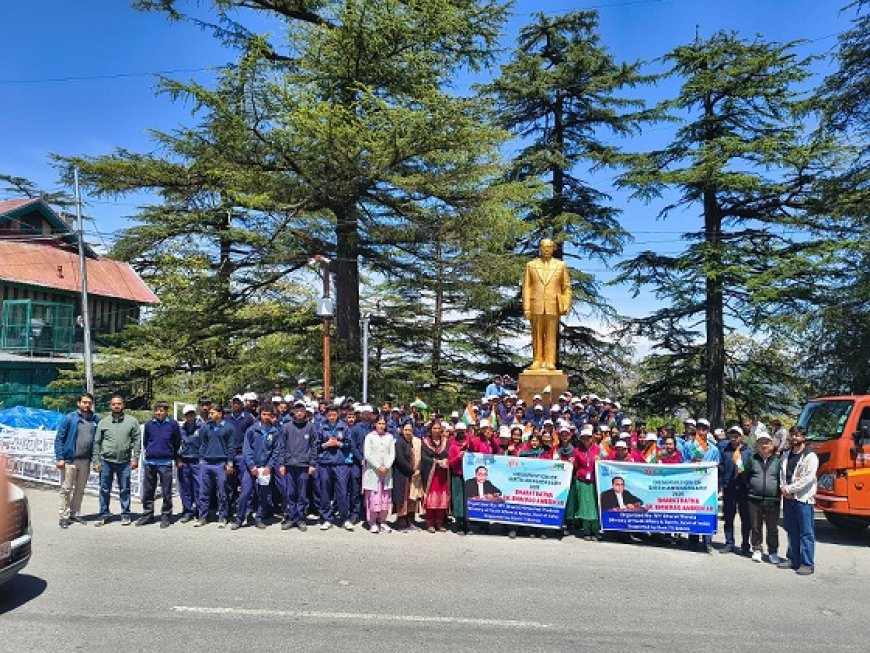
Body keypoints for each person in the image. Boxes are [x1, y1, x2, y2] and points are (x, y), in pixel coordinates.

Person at [522, 238, 572, 370]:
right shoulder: (531, 265)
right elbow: (526, 287)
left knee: (551, 334)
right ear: (540, 248)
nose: (546, 249)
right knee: (537, 334)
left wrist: (566, 304)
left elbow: (566, 287)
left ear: (553, 248)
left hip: (553, 305)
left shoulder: (561, 265)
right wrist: (526, 307)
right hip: (535, 304)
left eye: (549, 247)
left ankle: (550, 361)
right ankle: (537, 360)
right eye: (544, 247)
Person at [92, 394, 140, 527]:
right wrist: (96, 461)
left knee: (125, 489)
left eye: (119, 403)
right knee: (104, 489)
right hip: (106, 461)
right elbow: (97, 442)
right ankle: (103, 514)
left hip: (124, 462)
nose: (116, 406)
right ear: (110, 406)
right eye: (114, 404)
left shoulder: (132, 421)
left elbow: (137, 441)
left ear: (123, 405)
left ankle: (125, 514)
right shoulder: (103, 422)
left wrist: (135, 458)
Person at [54, 392, 99, 528]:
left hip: (85, 460)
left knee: (80, 489)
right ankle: (63, 516)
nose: (86, 405)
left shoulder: (95, 419)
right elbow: (59, 439)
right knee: (66, 488)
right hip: (69, 460)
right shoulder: (69, 418)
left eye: (89, 403)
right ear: (78, 403)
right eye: (84, 402)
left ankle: (74, 514)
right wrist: (60, 458)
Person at [231, 406, 280, 530]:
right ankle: (240, 519)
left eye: (268, 414)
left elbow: (276, 451)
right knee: (245, 493)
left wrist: (269, 466)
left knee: (263, 495)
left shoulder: (274, 432)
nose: (266, 417)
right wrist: (251, 465)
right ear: (260, 415)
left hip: (265, 469)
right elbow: (246, 449)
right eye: (264, 414)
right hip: (250, 468)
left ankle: (259, 518)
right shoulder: (251, 430)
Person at [778, 427, 818, 575]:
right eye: (792, 435)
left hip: (803, 499)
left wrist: (790, 489)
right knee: (791, 530)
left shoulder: (810, 456)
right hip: (788, 499)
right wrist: (783, 488)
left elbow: (808, 478)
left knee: (806, 532)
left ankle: (807, 563)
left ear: (804, 437)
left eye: (798, 435)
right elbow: (782, 474)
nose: (794, 438)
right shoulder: (786, 454)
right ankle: (793, 558)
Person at [137, 401, 181, 528]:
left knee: (166, 491)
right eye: (157, 410)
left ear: (167, 411)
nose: (159, 413)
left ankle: (166, 515)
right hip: (150, 462)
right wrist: (151, 451)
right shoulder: (149, 424)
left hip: (166, 462)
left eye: (162, 410)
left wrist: (171, 454)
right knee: (148, 490)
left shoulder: (173, 424)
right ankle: (147, 514)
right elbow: (146, 441)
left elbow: (176, 442)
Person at [743, 429, 782, 564]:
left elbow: (780, 478)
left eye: (766, 443)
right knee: (755, 526)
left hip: (773, 500)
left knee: (772, 528)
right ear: (757, 445)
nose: (764, 445)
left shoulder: (777, 461)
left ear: (771, 445)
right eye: (761, 443)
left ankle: (773, 552)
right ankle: (757, 549)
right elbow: (745, 477)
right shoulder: (751, 460)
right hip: (754, 499)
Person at [313, 405, 354, 531]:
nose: (332, 417)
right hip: (325, 463)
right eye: (329, 415)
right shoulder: (321, 427)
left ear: (338, 415)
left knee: (342, 491)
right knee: (325, 491)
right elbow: (316, 445)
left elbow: (349, 444)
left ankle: (344, 518)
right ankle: (326, 518)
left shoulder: (344, 427)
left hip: (340, 463)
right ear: (326, 415)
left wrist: (338, 444)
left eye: (334, 415)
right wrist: (326, 444)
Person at [277, 400, 316, 531]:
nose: (299, 413)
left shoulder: (311, 427)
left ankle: (301, 519)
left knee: (302, 493)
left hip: (304, 465)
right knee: (291, 493)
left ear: (305, 412)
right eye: (297, 410)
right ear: (293, 412)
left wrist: (312, 464)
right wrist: (282, 463)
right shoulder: (286, 427)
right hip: (289, 465)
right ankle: (292, 517)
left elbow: (314, 446)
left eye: (302, 411)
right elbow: (281, 446)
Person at [196, 405, 236, 527]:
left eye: (212, 413)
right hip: (206, 463)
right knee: (204, 491)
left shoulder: (229, 427)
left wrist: (230, 463)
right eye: (209, 413)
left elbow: (231, 447)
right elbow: (202, 444)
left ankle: (223, 516)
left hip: (221, 464)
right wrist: (201, 459)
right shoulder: (206, 427)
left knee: (223, 492)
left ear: (220, 414)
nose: (209, 415)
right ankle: (202, 516)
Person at [719, 425, 751, 554]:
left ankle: (745, 545)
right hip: (729, 487)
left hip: (743, 488)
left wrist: (745, 473)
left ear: (741, 437)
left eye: (736, 436)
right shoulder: (725, 451)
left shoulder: (748, 452)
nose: (733, 438)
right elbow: (721, 467)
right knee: (729, 516)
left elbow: (751, 469)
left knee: (745, 517)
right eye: (731, 436)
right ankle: (729, 543)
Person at [363, 416, 396, 533]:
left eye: (383, 423)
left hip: (386, 472)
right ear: (375, 424)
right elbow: (367, 454)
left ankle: (382, 521)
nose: (381, 426)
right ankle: (372, 522)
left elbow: (392, 454)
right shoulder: (369, 437)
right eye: (379, 423)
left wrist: (386, 466)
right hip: (373, 472)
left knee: (385, 496)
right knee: (373, 496)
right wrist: (378, 466)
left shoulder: (390, 437)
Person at [420, 422, 450, 533]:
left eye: (438, 428)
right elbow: (423, 457)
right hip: (430, 474)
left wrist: (446, 460)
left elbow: (448, 454)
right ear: (430, 429)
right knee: (430, 499)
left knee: (441, 499)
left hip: (442, 474)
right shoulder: (425, 442)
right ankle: (430, 523)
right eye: (434, 428)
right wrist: (436, 462)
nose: (436, 430)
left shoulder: (446, 442)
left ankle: (439, 522)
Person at [393, 422, 423, 531]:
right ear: (401, 430)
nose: (408, 432)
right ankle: (401, 522)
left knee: (411, 499)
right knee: (403, 498)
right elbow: (400, 459)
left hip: (411, 476)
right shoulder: (399, 442)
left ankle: (409, 522)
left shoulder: (412, 442)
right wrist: (411, 471)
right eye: (406, 430)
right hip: (402, 475)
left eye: (410, 430)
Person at [573, 428, 601, 541]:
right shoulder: (577, 451)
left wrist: (601, 459)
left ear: (592, 438)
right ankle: (586, 530)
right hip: (582, 481)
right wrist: (571, 462)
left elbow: (606, 461)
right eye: (583, 438)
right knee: (584, 506)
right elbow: (575, 466)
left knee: (594, 506)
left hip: (595, 481)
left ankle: (595, 530)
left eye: (588, 437)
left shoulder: (598, 449)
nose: (586, 440)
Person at [177, 404, 201, 523]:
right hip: (184, 461)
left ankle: (199, 511)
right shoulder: (180, 429)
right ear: (184, 416)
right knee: (185, 488)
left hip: (198, 461)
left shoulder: (202, 427)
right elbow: (176, 445)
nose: (190, 416)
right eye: (187, 414)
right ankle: (187, 511)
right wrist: (178, 459)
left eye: (192, 413)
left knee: (199, 487)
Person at [448, 423, 470, 534]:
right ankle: (459, 524)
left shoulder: (470, 445)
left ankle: (467, 524)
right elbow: (450, 463)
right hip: (457, 475)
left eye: (464, 431)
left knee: (467, 499)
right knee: (458, 500)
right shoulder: (453, 447)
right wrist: (458, 457)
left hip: (469, 476)